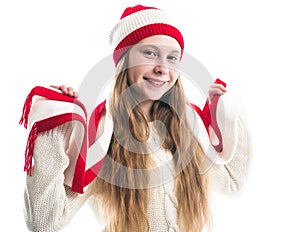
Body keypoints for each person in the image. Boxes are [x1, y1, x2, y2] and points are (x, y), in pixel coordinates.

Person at [20, 4, 252, 232]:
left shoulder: (190, 128)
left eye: (172, 58)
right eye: (150, 53)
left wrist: (226, 110)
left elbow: (232, 182)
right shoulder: (101, 133)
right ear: (124, 61)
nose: (163, 68)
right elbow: (44, 223)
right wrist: (54, 126)